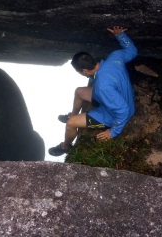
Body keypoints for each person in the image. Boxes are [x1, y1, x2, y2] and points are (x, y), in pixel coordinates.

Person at [48, 25, 138, 156]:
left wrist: (113, 132)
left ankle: (65, 146)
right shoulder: (114, 57)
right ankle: (73, 114)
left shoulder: (102, 87)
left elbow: (123, 110)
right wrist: (120, 35)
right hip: (117, 96)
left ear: (84, 71)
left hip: (113, 114)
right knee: (79, 91)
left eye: (78, 72)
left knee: (71, 124)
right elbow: (132, 50)